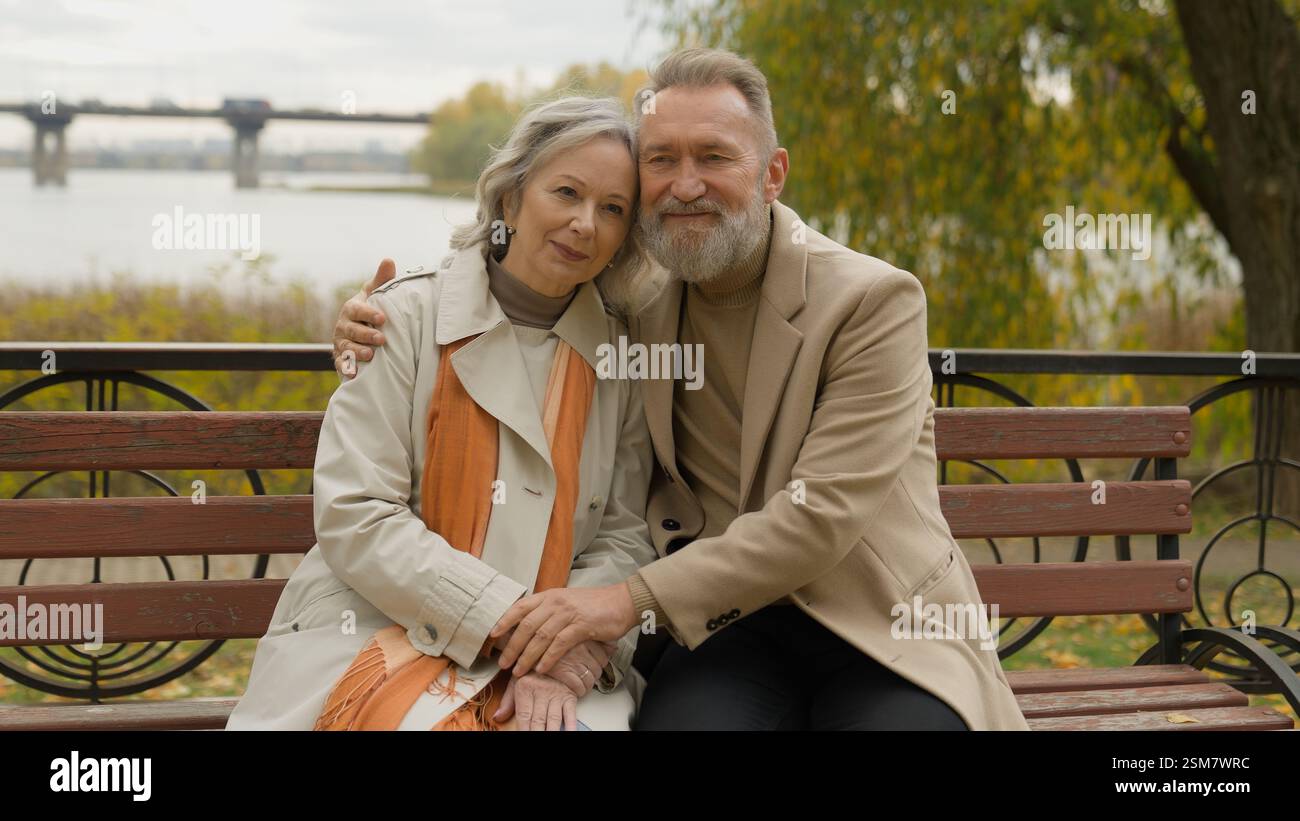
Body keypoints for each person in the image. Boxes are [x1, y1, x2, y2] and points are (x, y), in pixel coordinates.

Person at [332, 48, 1031, 731]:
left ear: (772, 174)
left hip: (878, 625)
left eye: (715, 156)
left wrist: (616, 605)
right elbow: (513, 297)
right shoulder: (634, 304)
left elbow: (820, 517)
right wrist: (372, 323)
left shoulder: (871, 300)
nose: (685, 184)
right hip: (724, 628)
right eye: (661, 160)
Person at [227, 95, 657, 731]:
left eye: (613, 209)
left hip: (562, 659)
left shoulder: (627, 354)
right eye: (566, 192)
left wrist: (567, 653)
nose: (585, 224)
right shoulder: (399, 319)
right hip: (377, 626)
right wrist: (509, 621)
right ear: (511, 198)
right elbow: (357, 513)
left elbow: (625, 533)